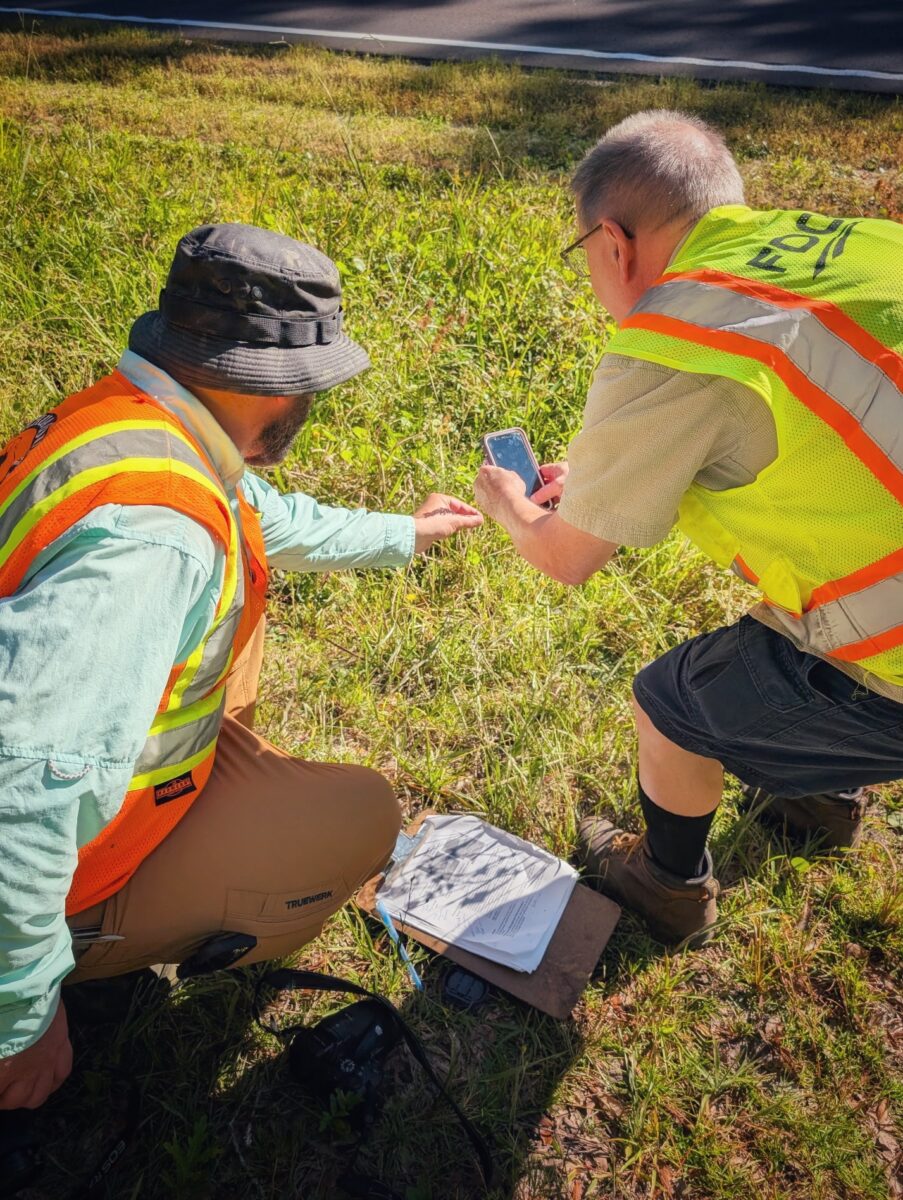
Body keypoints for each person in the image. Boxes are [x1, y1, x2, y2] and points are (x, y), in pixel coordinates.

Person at [0, 223, 482, 1111]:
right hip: (42, 867)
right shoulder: (154, 538)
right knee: (356, 819)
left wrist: (406, 535)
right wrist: (18, 1025)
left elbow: (262, 516)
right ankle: (81, 958)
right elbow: (20, 794)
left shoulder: (128, 425)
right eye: (316, 383)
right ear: (274, 382)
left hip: (79, 789)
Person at [474, 110, 903, 948]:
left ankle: (668, 885)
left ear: (611, 243)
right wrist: (608, 481)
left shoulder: (676, 338)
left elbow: (565, 558)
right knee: (791, 618)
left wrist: (506, 503)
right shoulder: (868, 245)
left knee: (668, 702)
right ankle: (816, 798)